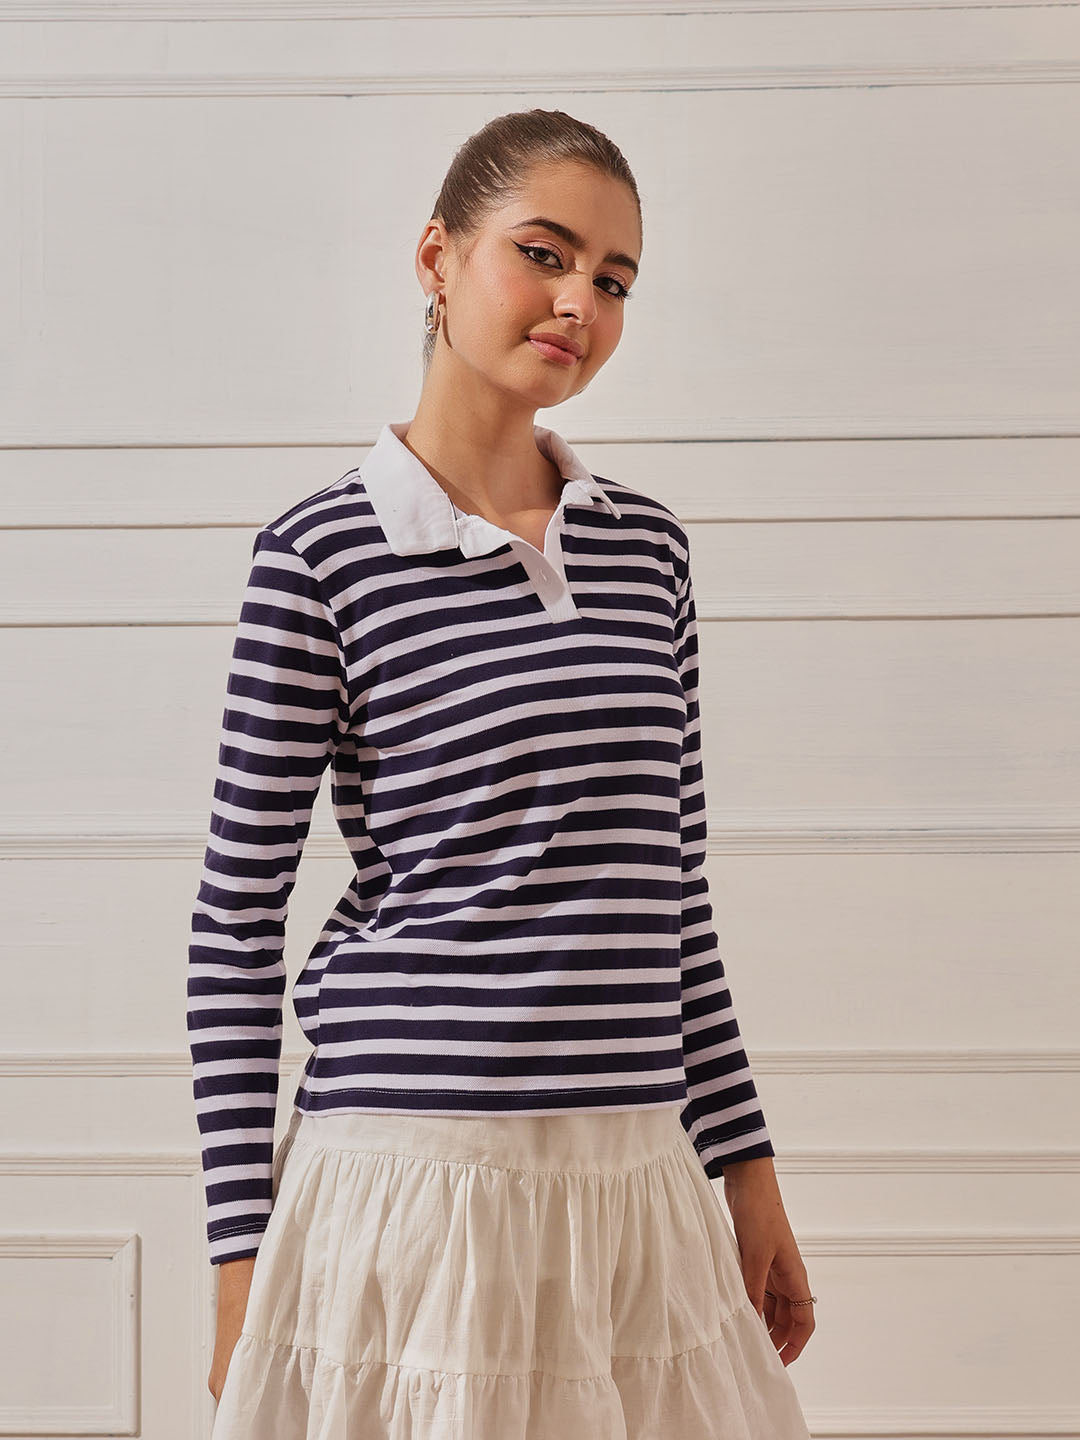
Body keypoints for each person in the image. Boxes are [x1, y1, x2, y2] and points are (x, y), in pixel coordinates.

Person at [188, 107, 816, 1438]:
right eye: (544, 253)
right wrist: (239, 1262)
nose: (580, 301)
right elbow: (235, 927)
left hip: (638, 1187)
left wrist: (748, 1172)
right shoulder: (320, 556)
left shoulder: (647, 553)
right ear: (437, 257)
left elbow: (672, 894)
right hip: (415, 1188)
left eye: (615, 279)